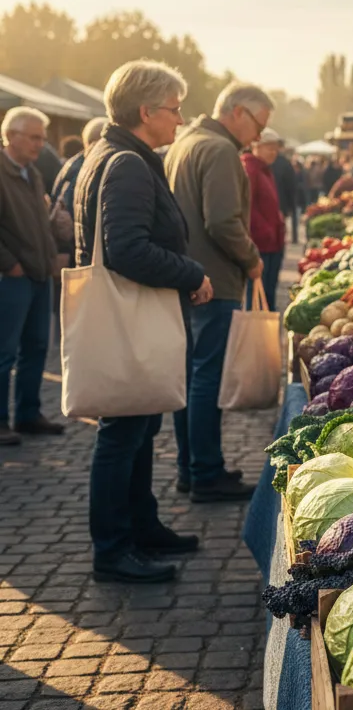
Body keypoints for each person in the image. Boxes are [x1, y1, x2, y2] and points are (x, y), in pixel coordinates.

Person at [75, 60, 213, 583]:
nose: (180, 120)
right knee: (123, 431)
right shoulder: (128, 163)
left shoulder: (112, 153)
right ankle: (113, 548)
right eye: (175, 110)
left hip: (132, 316)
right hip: (131, 318)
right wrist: (191, 272)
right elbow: (128, 249)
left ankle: (140, 526)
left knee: (137, 425)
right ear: (146, 110)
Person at [165, 81, 274, 503]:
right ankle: (206, 472)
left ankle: (191, 467)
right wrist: (251, 258)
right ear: (239, 112)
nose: (260, 136)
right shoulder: (221, 150)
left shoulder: (186, 141)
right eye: (259, 124)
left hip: (188, 275)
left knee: (191, 375)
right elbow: (223, 222)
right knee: (206, 376)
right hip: (214, 279)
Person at [0, 108, 65, 446]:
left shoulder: (32, 173)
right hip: (13, 277)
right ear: (11, 135)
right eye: (35, 137)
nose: (41, 144)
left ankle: (27, 413)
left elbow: (38, 224)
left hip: (38, 274)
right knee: (5, 352)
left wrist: (51, 253)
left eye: (42, 137)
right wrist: (9, 264)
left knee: (37, 347)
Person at [242, 128, 286, 311]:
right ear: (256, 146)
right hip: (260, 244)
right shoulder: (250, 169)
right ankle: (258, 336)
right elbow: (247, 207)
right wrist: (264, 231)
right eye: (269, 147)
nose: (274, 152)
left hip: (273, 242)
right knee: (259, 296)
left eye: (276, 148)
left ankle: (266, 333)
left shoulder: (266, 170)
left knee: (269, 293)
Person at [269, 140, 298, 245]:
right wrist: (290, 205)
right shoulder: (285, 163)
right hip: (282, 201)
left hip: (271, 201)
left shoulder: (266, 161)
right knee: (279, 229)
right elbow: (291, 185)